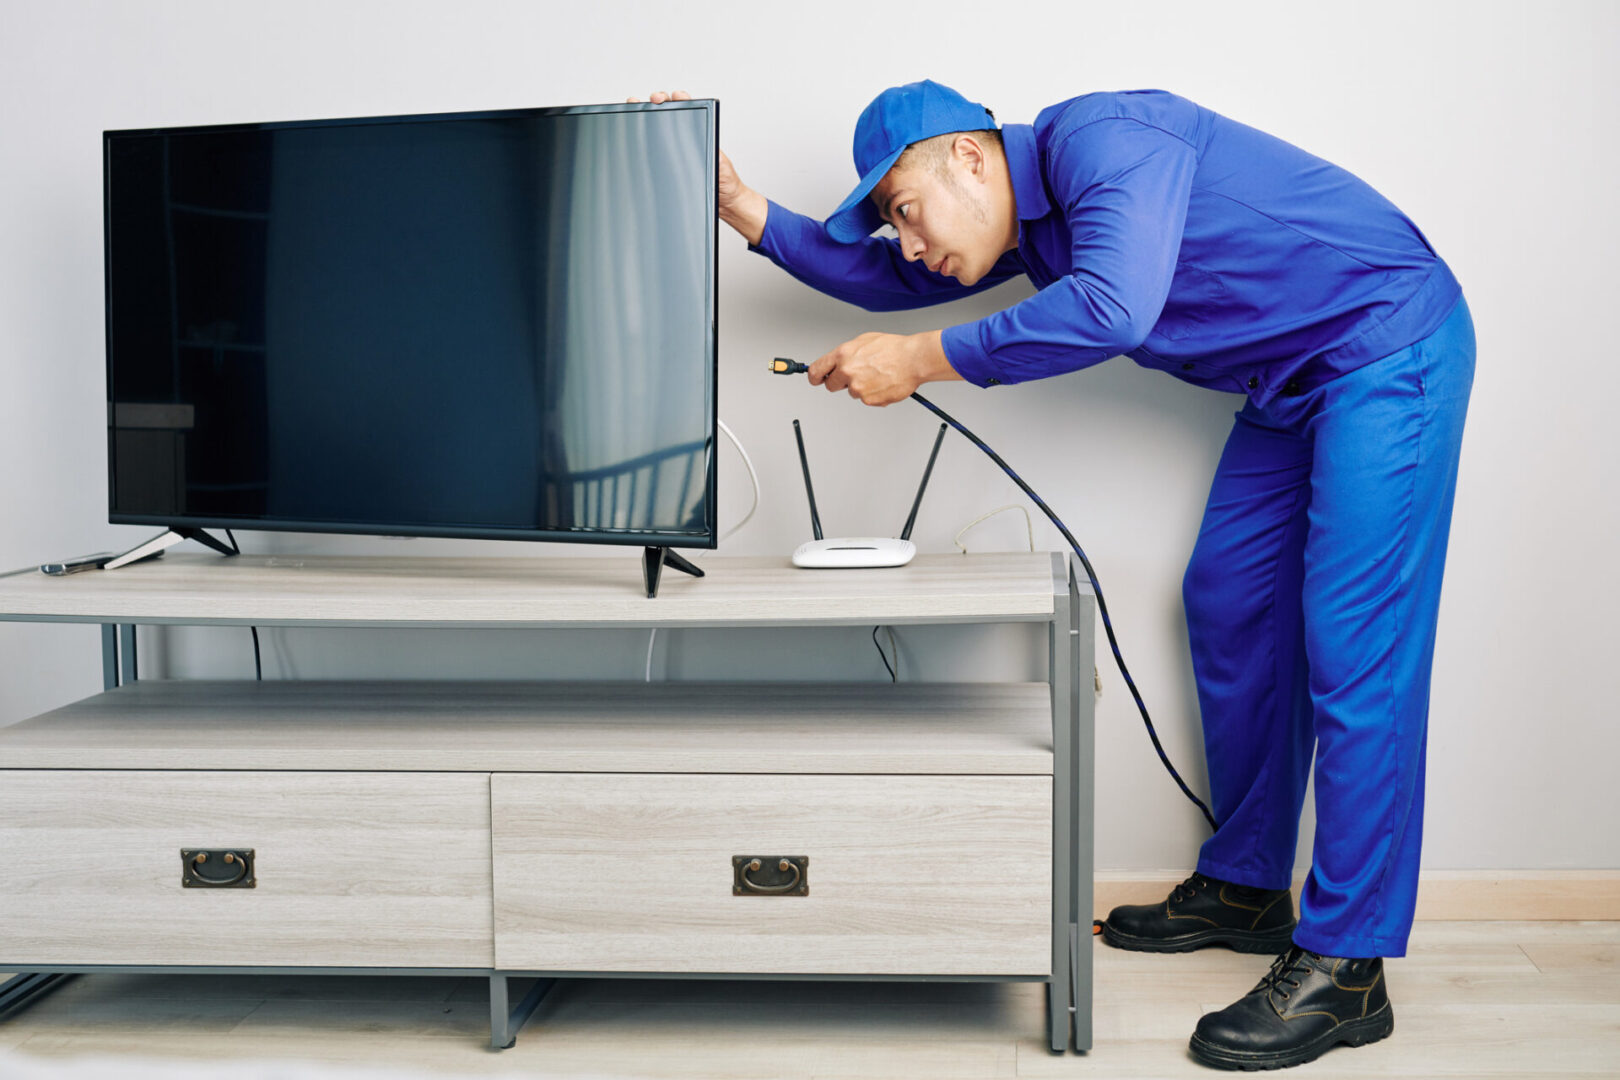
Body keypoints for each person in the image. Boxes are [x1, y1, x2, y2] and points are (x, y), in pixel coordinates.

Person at [631, 81, 1473, 1070]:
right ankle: (1248, 886)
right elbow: (878, 282)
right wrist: (745, 211)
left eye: (905, 210)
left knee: (1353, 643)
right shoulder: (1024, 234)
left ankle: (1350, 965)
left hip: (1383, 346)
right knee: (1228, 603)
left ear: (973, 162)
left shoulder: (1108, 141)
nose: (905, 243)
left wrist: (923, 359)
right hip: (1288, 389)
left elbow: (1115, 306)